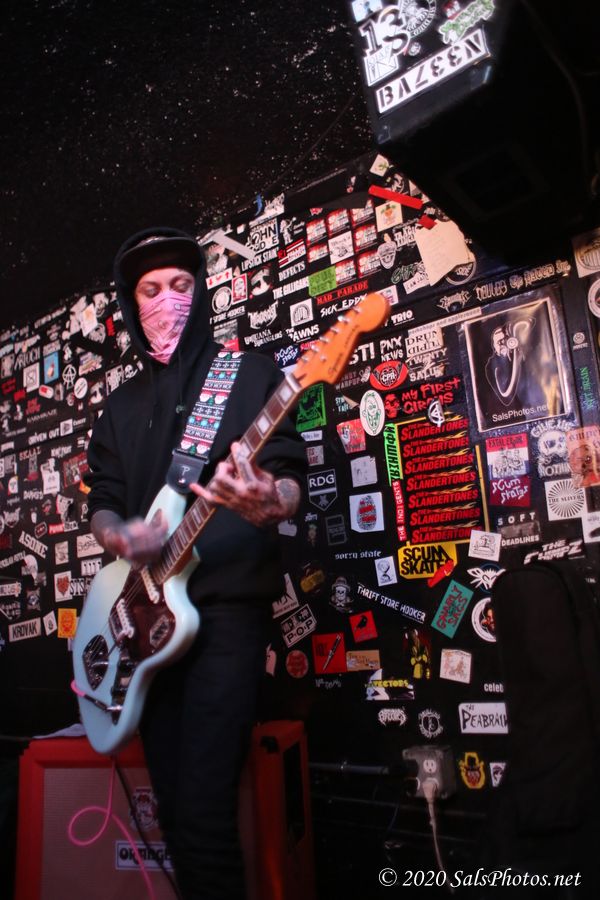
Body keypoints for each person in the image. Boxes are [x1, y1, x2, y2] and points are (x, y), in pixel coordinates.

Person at [85, 227, 306, 899]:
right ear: (131, 306)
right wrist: (120, 538)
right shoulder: (119, 408)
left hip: (225, 616)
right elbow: (103, 505)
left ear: (201, 292)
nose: (167, 300)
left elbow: (290, 479)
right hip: (144, 627)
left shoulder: (251, 374)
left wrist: (271, 501)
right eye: (150, 290)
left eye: (181, 285)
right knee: (177, 816)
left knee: (207, 817)